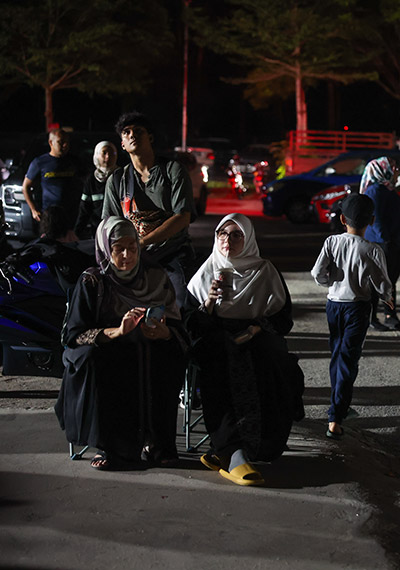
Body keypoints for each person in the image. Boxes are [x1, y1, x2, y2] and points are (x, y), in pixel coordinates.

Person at [55, 216, 188, 470]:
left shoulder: (155, 275)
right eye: (118, 249)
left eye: (133, 247)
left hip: (149, 342)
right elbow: (73, 334)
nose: (127, 255)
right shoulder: (93, 281)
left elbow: (177, 325)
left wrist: (164, 333)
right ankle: (115, 447)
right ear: (106, 249)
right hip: (109, 344)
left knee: (166, 356)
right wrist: (117, 331)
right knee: (108, 360)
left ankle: (158, 444)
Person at [186, 213, 304, 487]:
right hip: (216, 339)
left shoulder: (264, 271)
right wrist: (209, 304)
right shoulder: (206, 271)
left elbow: (283, 318)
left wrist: (255, 329)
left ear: (248, 238)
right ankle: (232, 452)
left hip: (256, 335)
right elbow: (191, 324)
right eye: (222, 234)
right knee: (218, 364)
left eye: (236, 234)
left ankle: (256, 445)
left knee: (274, 363)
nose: (228, 240)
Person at [311, 193, 393, 440]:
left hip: (333, 304)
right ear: (372, 220)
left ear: (343, 218)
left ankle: (340, 404)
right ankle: (336, 417)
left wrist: (329, 282)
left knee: (337, 354)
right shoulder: (373, 249)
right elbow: (383, 284)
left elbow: (317, 272)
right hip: (357, 307)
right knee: (349, 359)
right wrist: (387, 297)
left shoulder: (331, 242)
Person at [101, 112, 195, 308]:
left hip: (173, 252)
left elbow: (182, 217)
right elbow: (109, 224)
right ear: (122, 144)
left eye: (138, 131)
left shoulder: (172, 171)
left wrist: (143, 241)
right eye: (126, 132)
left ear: (150, 137)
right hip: (134, 256)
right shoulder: (117, 180)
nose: (132, 134)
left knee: (183, 303)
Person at [361, 157, 400, 331]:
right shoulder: (375, 190)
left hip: (392, 243)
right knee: (377, 283)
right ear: (383, 171)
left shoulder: (386, 189)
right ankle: (372, 317)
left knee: (388, 283)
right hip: (382, 244)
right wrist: (386, 240)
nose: (396, 171)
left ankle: (390, 316)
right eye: (394, 168)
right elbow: (377, 218)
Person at [22, 128, 83, 224]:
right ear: (51, 143)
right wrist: (33, 209)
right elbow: (26, 187)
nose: (65, 145)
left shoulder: (75, 162)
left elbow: (86, 181)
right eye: (61, 142)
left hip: (72, 214)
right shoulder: (40, 162)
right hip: (50, 214)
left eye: (67, 142)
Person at [75, 141, 118, 239]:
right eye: (104, 153)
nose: (107, 157)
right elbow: (84, 209)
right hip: (98, 230)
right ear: (97, 155)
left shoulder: (121, 177)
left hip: (118, 229)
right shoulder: (91, 180)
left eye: (112, 153)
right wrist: (76, 234)